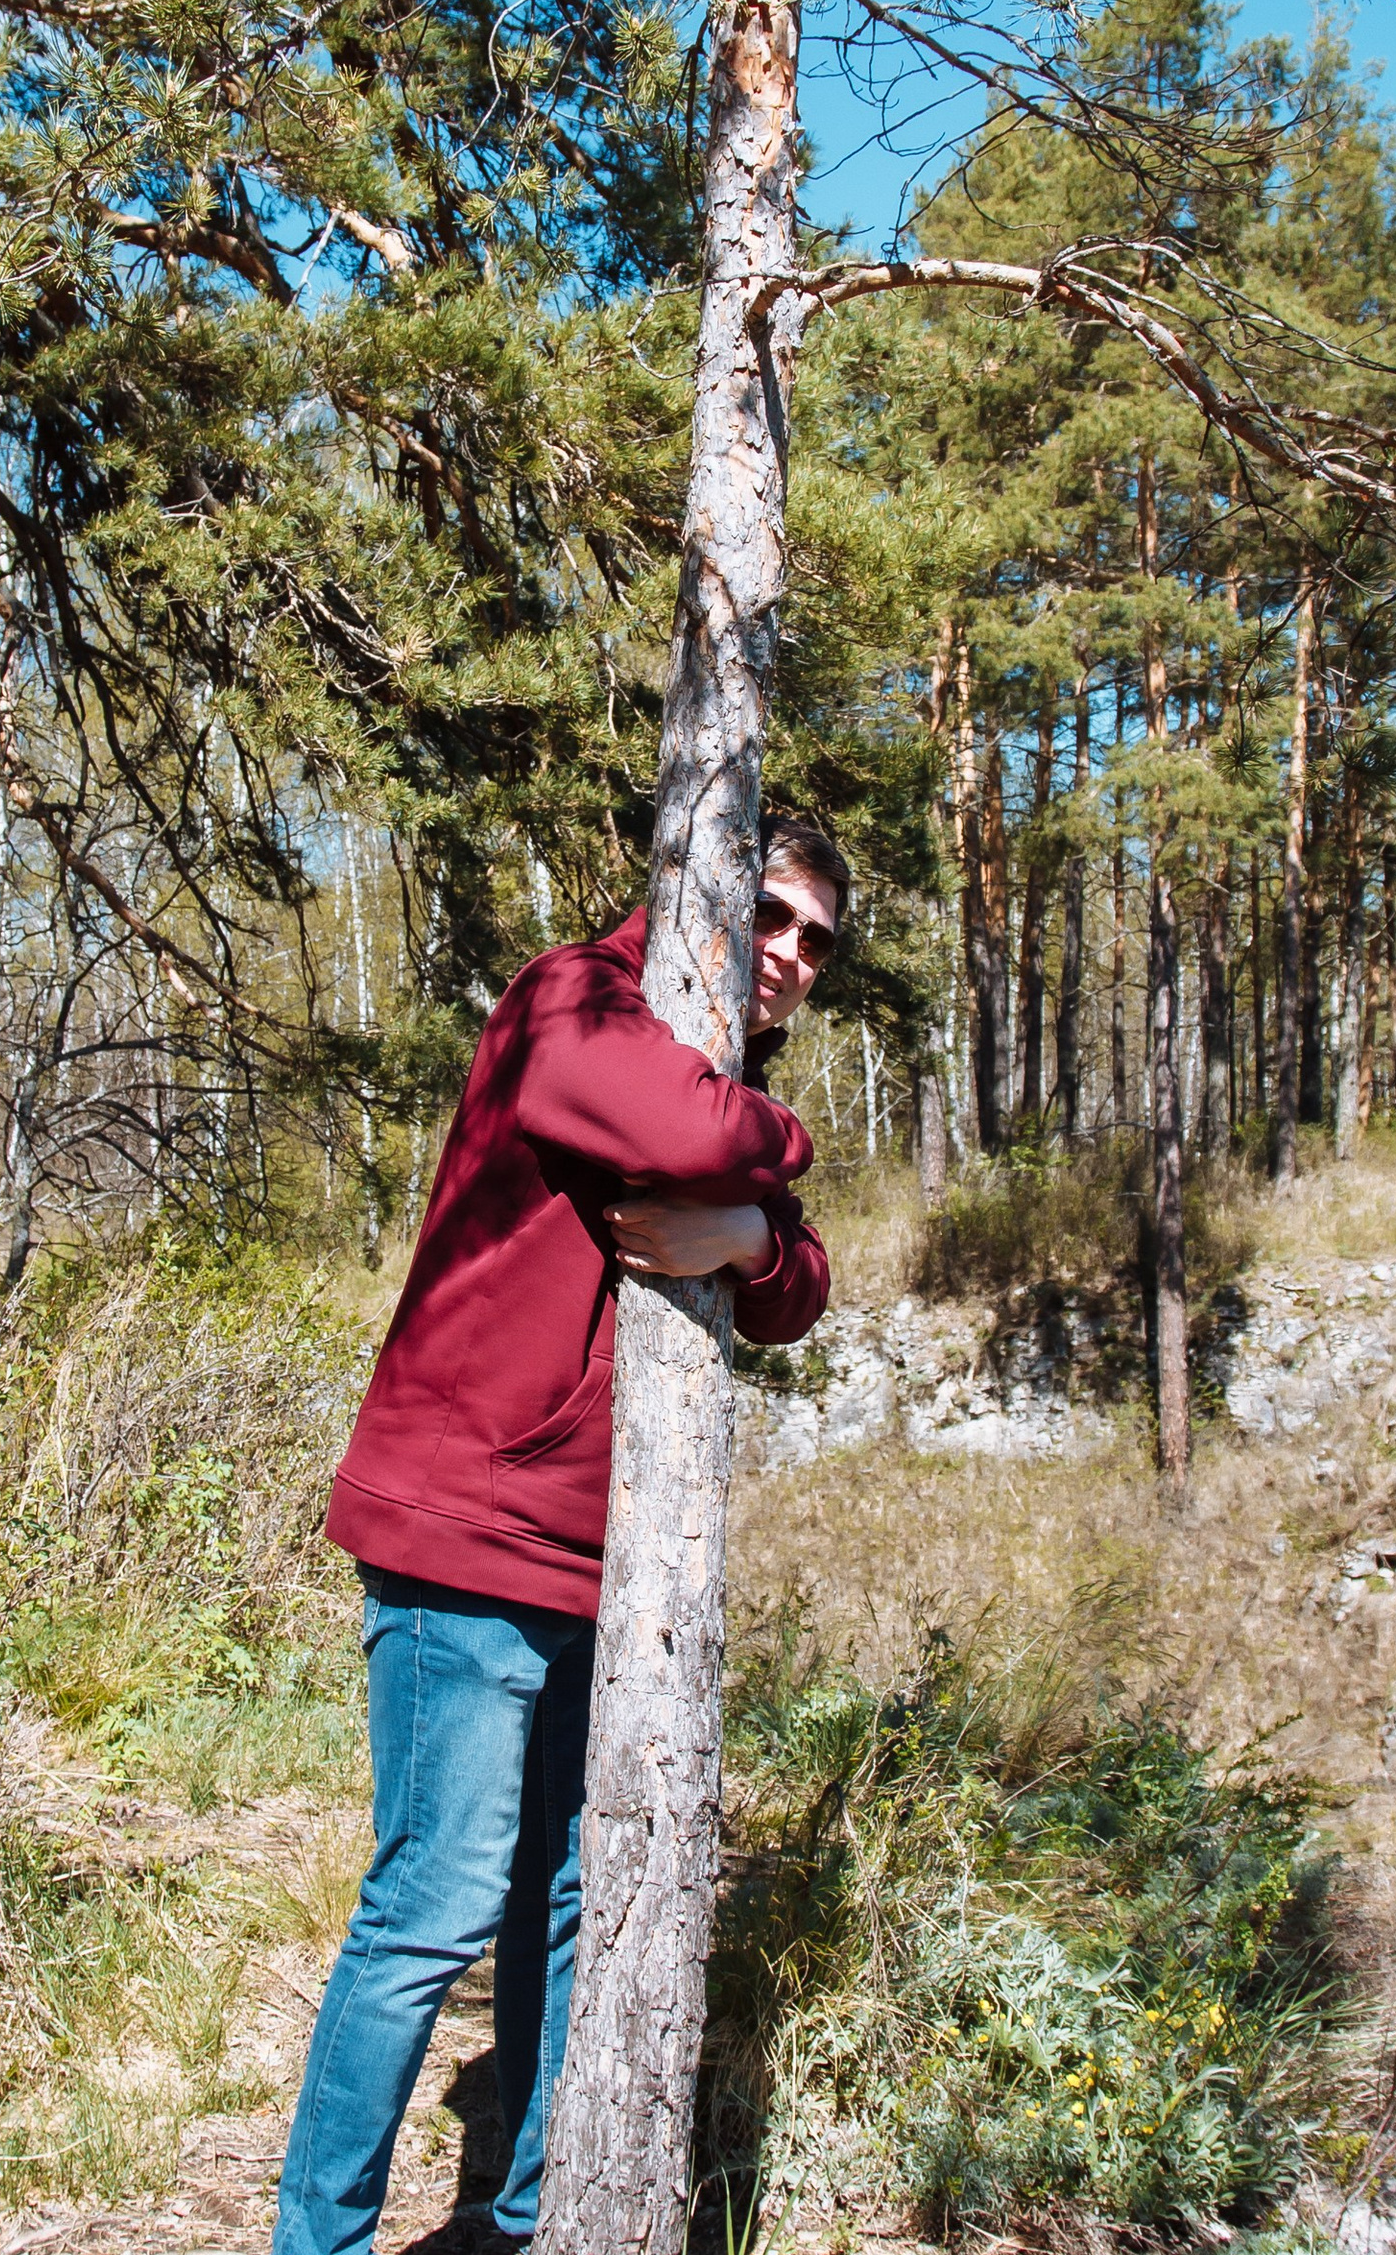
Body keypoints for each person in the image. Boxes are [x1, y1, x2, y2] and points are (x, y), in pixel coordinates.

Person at [273, 821, 845, 2255]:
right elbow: (694, 1133)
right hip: (462, 1531)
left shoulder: (700, 1054)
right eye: (769, 915)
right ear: (696, 892)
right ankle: (318, 2240)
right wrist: (776, 1153)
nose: (784, 955)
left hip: (594, 1558)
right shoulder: (575, 1000)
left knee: (567, 1902)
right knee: (437, 1900)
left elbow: (801, 1288)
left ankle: (520, 2221)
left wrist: (753, 1241)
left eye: (815, 942)